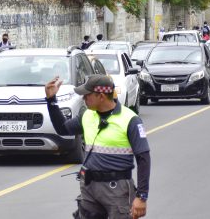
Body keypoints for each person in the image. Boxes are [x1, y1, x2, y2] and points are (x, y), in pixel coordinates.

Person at [45, 74, 151, 219]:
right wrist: (51, 100)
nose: (83, 98)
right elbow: (63, 129)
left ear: (101, 96)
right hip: (89, 187)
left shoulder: (130, 120)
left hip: (117, 190)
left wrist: (142, 196)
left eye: (87, 95)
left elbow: (143, 158)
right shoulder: (87, 115)